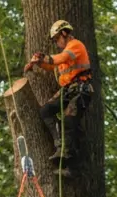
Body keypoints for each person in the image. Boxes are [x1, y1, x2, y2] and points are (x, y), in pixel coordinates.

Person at [25, 19, 94, 164]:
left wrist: (44, 57)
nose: (56, 43)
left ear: (64, 33)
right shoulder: (65, 54)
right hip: (68, 90)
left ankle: (70, 160)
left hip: (81, 90)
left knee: (69, 120)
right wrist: (37, 63)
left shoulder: (75, 46)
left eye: (57, 39)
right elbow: (53, 67)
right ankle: (60, 144)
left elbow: (59, 59)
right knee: (46, 111)